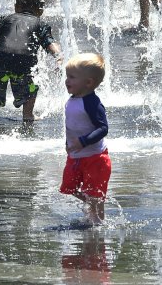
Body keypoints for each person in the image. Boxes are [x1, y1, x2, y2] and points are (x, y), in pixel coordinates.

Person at [60, 52, 111, 225]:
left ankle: (98, 223)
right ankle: (92, 205)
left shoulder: (92, 103)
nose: (67, 81)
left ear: (88, 83)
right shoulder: (72, 100)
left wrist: (83, 141)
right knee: (69, 187)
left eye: (72, 77)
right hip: (75, 156)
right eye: (67, 76)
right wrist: (68, 144)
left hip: (95, 157)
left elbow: (103, 128)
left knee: (95, 193)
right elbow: (72, 125)